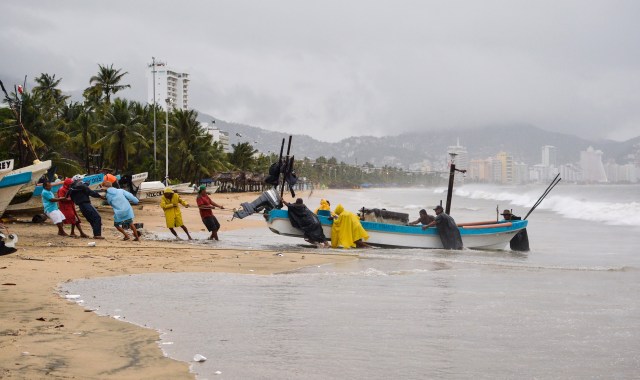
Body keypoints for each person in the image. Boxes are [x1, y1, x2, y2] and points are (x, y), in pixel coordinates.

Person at [68, 174, 105, 239]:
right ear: (78, 180)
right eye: (81, 180)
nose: (82, 181)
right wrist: (100, 196)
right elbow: (90, 192)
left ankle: (96, 234)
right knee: (97, 217)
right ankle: (97, 235)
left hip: (81, 206)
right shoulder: (81, 186)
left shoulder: (72, 188)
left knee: (91, 219)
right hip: (86, 204)